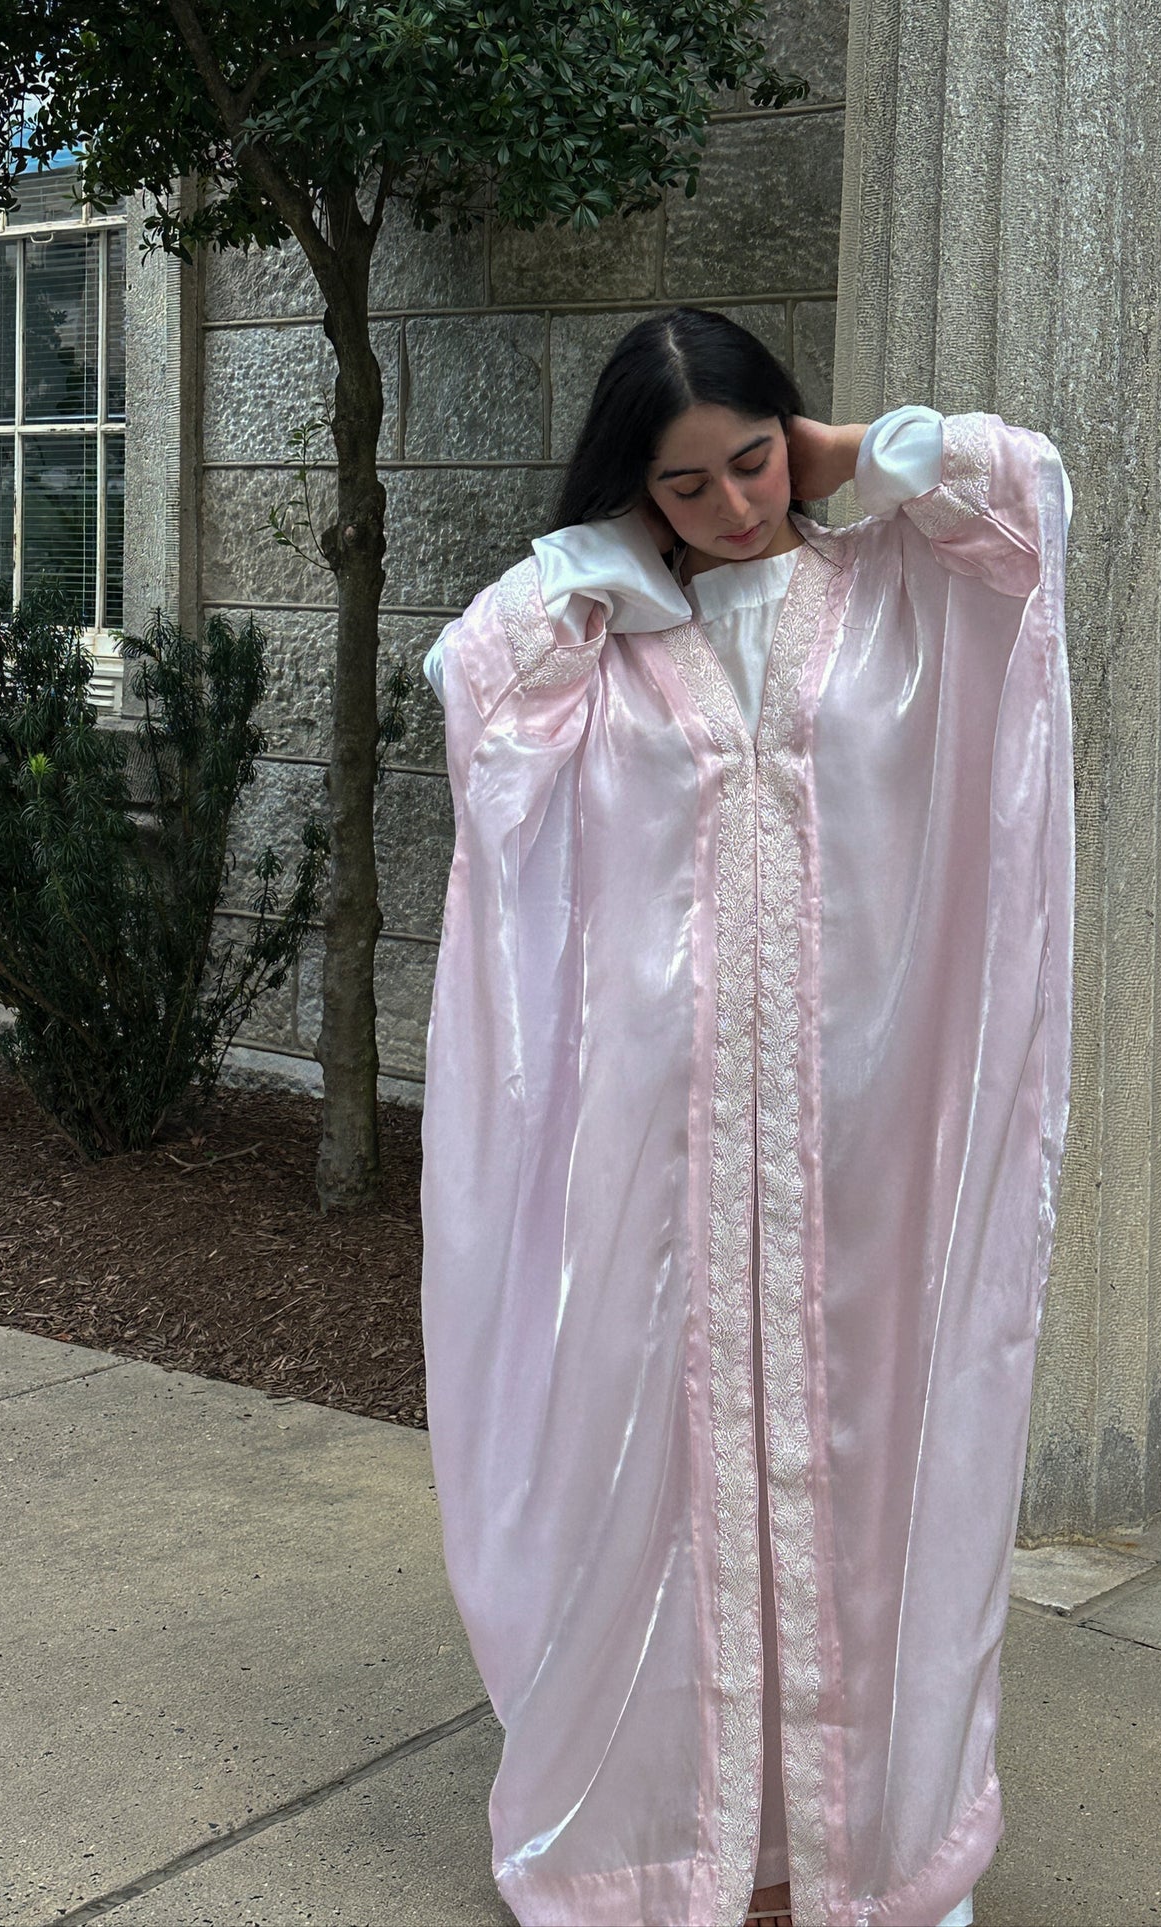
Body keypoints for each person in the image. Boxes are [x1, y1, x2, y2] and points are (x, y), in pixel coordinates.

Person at [419, 306, 1074, 1927]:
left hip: (860, 1145)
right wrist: (609, 559)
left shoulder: (893, 600)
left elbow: (1022, 497)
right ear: (633, 494)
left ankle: (850, 1844)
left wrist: (854, 454)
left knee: (860, 1474)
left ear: (795, 433)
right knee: (654, 1494)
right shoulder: (605, 644)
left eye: (753, 458)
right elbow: (470, 682)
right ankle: (676, 1844)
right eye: (685, 484)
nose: (733, 506)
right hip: (661, 1165)